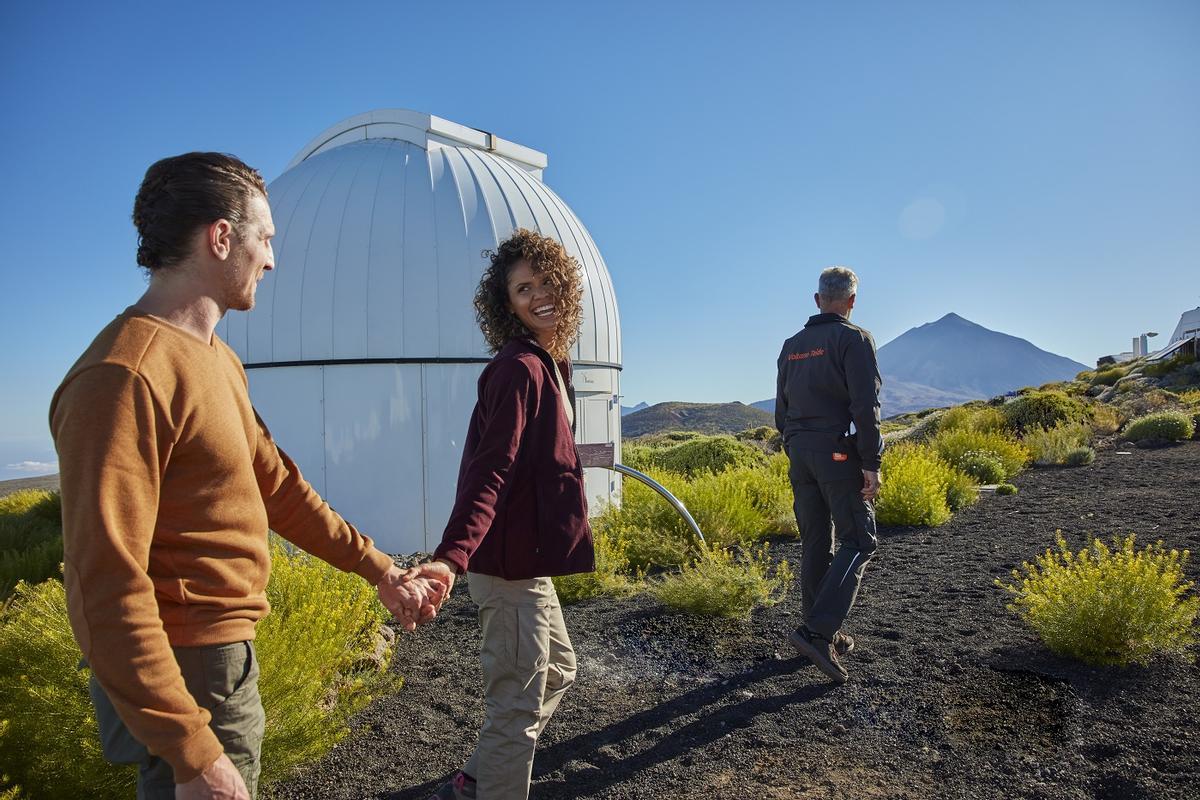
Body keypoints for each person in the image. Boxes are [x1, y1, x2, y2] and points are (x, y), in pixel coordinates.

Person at [49, 152, 447, 800]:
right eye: (265, 238)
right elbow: (103, 585)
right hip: (188, 671)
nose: (272, 259)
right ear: (221, 236)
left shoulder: (215, 360)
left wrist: (381, 570)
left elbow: (278, 489)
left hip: (222, 661)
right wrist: (193, 752)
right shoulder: (124, 377)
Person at [420, 229, 594, 800]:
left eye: (546, 283)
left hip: (528, 560)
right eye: (523, 289)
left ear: (564, 289)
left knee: (559, 670)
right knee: (516, 707)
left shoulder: (548, 364)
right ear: (507, 305)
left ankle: (478, 775)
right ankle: (490, 780)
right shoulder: (518, 368)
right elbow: (488, 470)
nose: (538, 295)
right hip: (507, 567)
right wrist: (451, 557)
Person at [774, 266, 882, 684]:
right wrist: (871, 463)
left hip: (799, 452)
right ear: (852, 301)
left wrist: (795, 443)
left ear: (817, 299)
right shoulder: (853, 339)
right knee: (859, 539)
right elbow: (865, 408)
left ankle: (820, 630)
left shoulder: (791, 346)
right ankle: (817, 632)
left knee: (817, 541)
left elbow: (782, 411)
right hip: (836, 452)